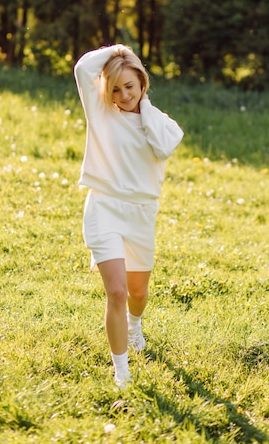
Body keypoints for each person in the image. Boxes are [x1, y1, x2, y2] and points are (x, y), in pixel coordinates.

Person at [74, 44, 183, 388]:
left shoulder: (162, 124)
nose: (123, 96)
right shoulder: (102, 113)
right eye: (116, 89)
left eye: (130, 87)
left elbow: (164, 147)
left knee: (137, 292)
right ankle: (121, 372)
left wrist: (144, 107)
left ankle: (135, 326)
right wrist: (117, 50)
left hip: (140, 213)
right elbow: (82, 69)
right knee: (117, 292)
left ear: (142, 83)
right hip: (104, 206)